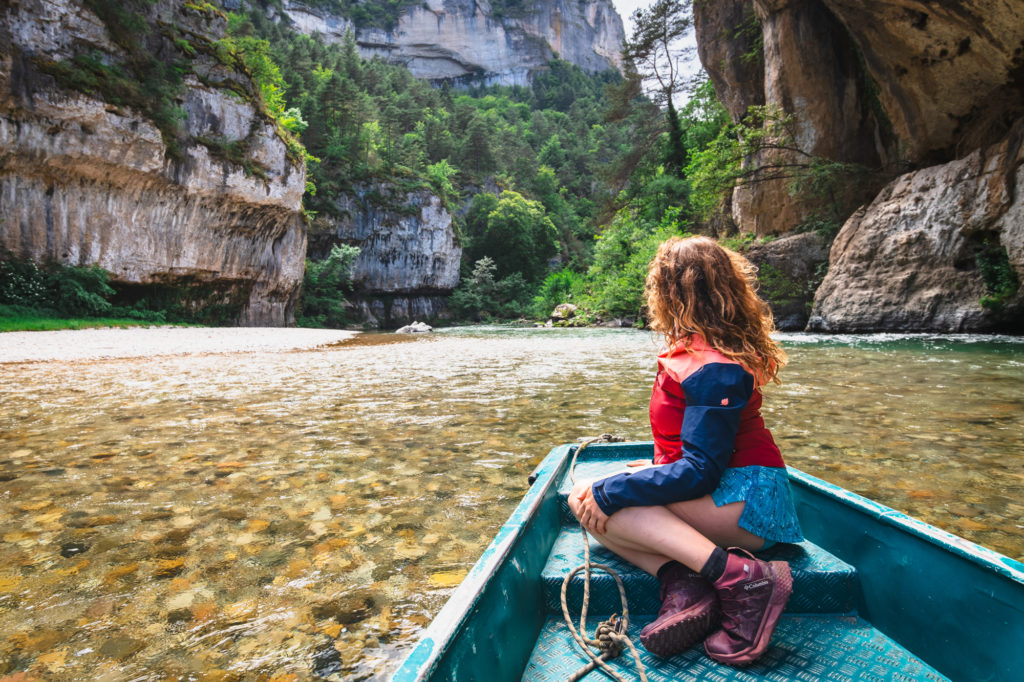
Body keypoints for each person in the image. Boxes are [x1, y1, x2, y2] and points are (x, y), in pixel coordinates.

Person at [568, 235, 804, 666]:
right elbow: (698, 451)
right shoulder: (709, 348)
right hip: (738, 493)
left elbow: (701, 472)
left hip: (751, 507)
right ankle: (683, 579)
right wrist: (659, 467)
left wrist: (621, 488)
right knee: (589, 498)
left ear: (668, 291)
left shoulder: (713, 365)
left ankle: (743, 579)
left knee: (600, 501)